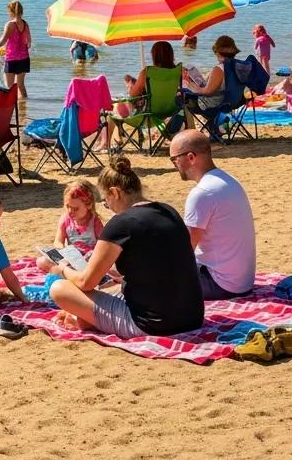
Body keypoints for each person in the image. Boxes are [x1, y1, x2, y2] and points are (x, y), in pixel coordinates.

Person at [39, 156, 204, 338]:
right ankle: (84, 317)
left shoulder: (121, 224)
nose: (107, 206)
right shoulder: (169, 211)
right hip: (193, 315)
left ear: (115, 193)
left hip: (151, 323)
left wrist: (61, 269)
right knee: (108, 289)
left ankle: (84, 319)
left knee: (59, 289)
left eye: (105, 201)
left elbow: (86, 283)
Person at [168, 130, 255, 299]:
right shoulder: (228, 180)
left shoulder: (202, 192)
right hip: (242, 281)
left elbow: (185, 249)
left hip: (221, 284)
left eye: (174, 159)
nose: (175, 165)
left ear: (191, 157)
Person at [106, 40, 178, 146]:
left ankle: (106, 144)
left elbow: (132, 96)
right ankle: (120, 136)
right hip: (168, 112)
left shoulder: (147, 71)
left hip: (148, 116)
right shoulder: (176, 71)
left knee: (111, 110)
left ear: (154, 55)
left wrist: (130, 87)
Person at [182, 34, 240, 135]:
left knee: (183, 99)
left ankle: (190, 133)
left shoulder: (220, 69)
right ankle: (213, 127)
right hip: (235, 101)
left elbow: (207, 92)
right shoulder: (239, 66)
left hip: (216, 105)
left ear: (217, 51)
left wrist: (191, 86)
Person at [0, 0, 31, 99]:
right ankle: (23, 107)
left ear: (10, 11)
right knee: (20, 85)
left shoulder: (10, 24)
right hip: (24, 59)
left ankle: (12, 109)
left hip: (12, 59)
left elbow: (3, 40)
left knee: (10, 87)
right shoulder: (25, 24)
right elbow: (29, 43)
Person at [54, 179, 104, 253]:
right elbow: (58, 241)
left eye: (75, 209)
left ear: (89, 205)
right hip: (72, 258)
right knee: (42, 261)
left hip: (90, 259)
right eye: (67, 206)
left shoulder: (94, 222)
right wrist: (62, 248)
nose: (70, 211)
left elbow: (103, 244)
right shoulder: (65, 219)